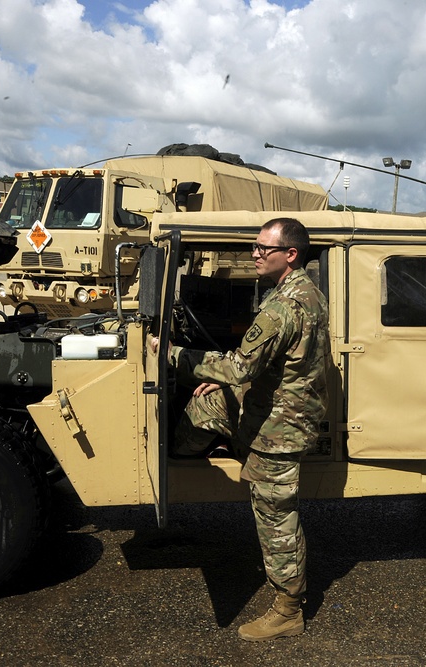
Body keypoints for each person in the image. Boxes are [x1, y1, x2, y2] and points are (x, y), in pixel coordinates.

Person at [151, 217, 329, 642]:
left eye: (263, 249)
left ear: (290, 254)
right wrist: (232, 380)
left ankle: (288, 610)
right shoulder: (306, 292)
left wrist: (173, 353)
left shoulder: (282, 307)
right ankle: (191, 467)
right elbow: (272, 364)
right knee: (206, 404)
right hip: (276, 408)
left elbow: (239, 365)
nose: (254, 255)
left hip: (278, 429)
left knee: (276, 519)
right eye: (254, 247)